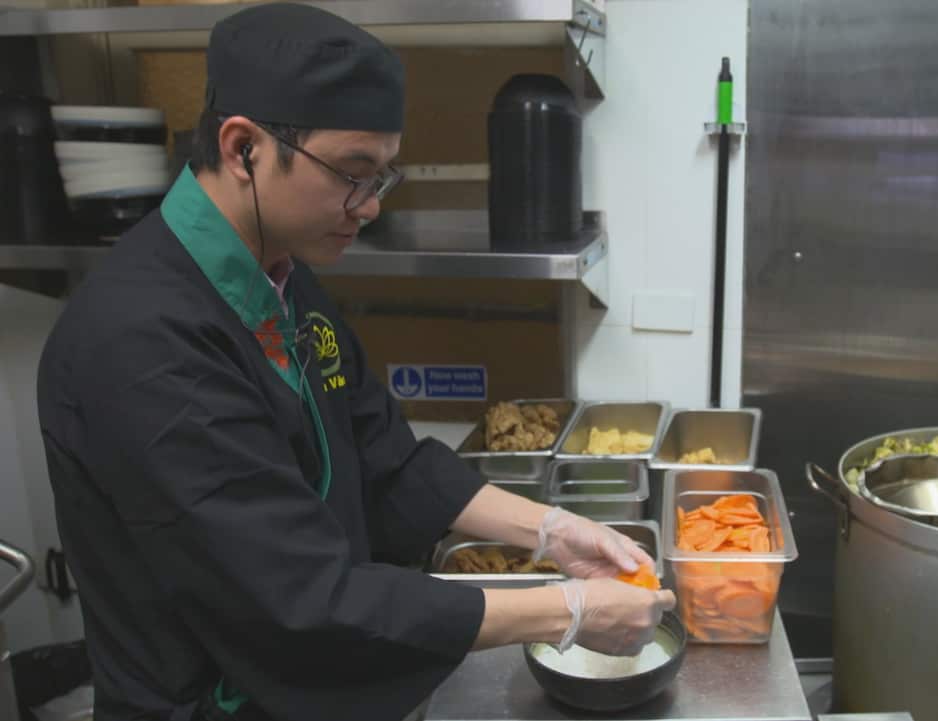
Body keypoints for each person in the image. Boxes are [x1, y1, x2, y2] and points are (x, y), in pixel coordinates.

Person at [35, 5, 674, 720]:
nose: (367, 207)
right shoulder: (142, 341)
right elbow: (299, 601)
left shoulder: (284, 276)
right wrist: (566, 611)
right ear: (243, 146)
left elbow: (384, 458)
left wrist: (553, 531)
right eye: (351, 172)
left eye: (381, 177)